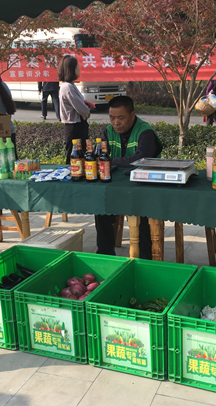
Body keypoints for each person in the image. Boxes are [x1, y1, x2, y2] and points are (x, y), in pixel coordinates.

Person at [95, 96, 163, 259]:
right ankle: (105, 255)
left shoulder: (145, 132)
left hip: (144, 190)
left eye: (121, 117)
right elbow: (100, 159)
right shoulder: (108, 132)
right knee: (101, 209)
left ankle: (145, 260)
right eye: (112, 118)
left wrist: (113, 161)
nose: (116, 123)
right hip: (117, 189)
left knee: (143, 216)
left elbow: (141, 160)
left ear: (132, 115)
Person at [58, 55, 91, 163]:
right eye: (77, 67)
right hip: (74, 126)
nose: (79, 69)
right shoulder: (67, 87)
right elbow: (82, 109)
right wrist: (87, 110)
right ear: (71, 69)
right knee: (75, 159)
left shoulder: (70, 85)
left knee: (80, 157)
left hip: (77, 125)